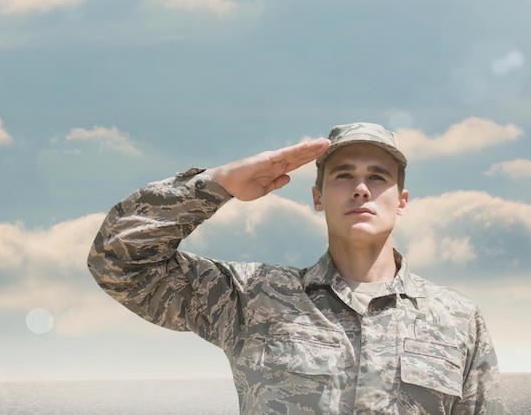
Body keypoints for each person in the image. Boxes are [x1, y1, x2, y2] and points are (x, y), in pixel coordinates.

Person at [87, 122, 505, 414]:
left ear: (402, 201)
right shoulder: (253, 297)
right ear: (318, 196)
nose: (361, 187)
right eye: (344, 175)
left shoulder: (457, 318)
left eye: (378, 177)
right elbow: (119, 260)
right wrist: (220, 183)